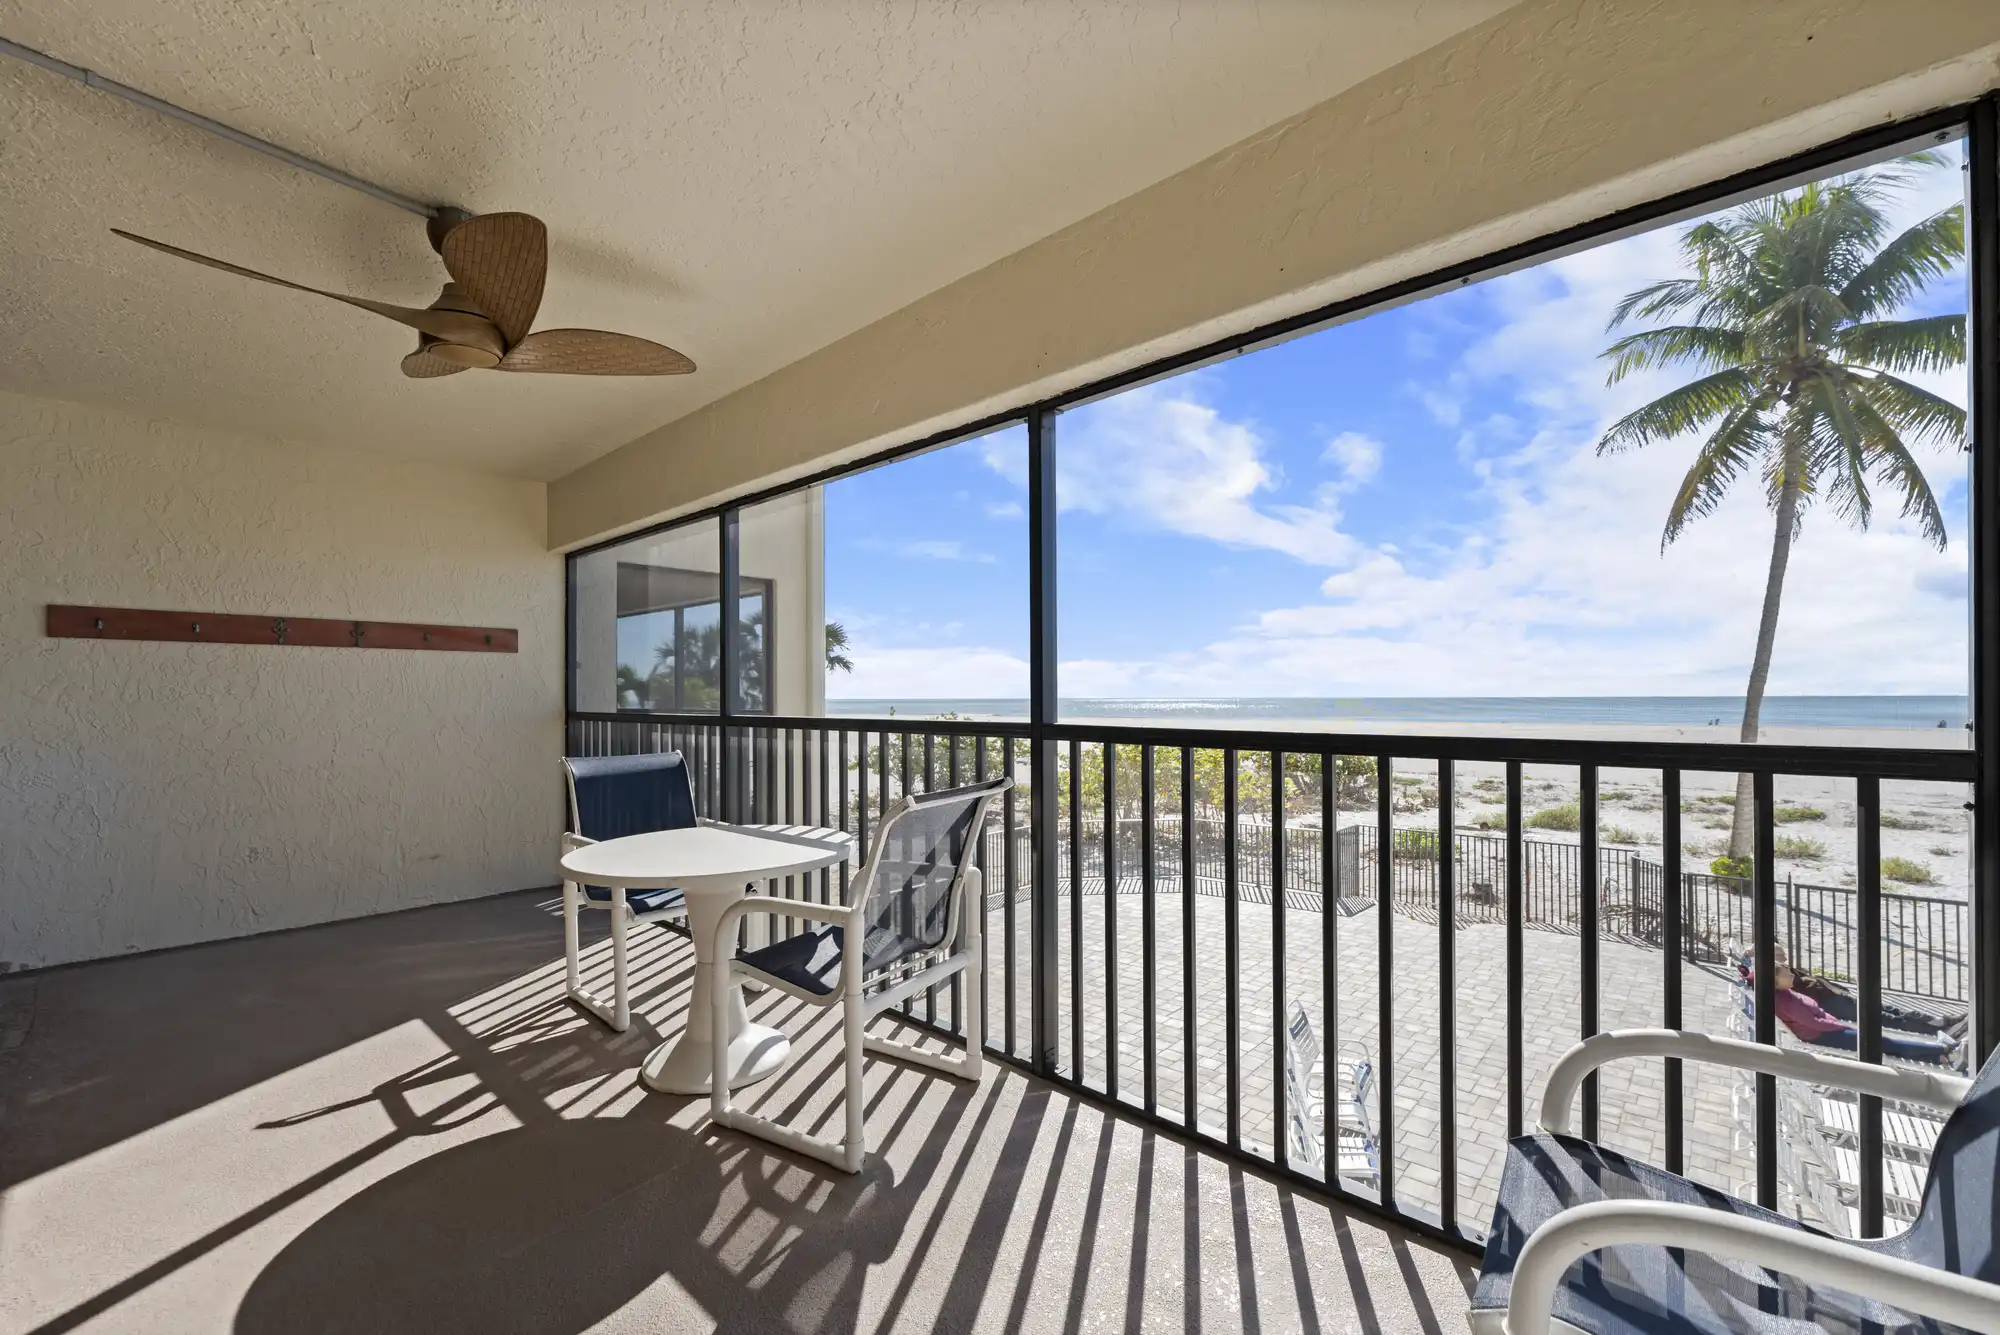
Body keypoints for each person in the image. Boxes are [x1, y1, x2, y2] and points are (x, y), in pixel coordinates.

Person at [1772, 963, 1963, 1067]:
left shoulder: (1786, 993)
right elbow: (1814, 1023)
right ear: (1775, 980)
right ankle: (1945, 1049)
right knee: (1884, 1042)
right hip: (1825, 1034)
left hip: (1830, 1026)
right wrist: (1841, 1026)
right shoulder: (1785, 1001)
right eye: (1786, 974)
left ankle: (1936, 1057)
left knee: (1886, 1032)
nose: (1791, 975)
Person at [1769, 943, 1967, 1038]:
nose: (1785, 956)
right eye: (1780, 954)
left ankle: (1941, 1021)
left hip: (1836, 995)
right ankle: (1937, 1029)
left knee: (1892, 1011)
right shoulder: (1781, 977)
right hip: (1832, 1004)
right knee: (1888, 1018)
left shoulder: (1786, 970)